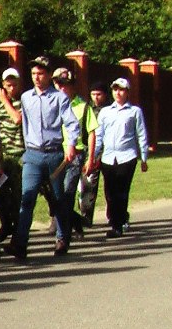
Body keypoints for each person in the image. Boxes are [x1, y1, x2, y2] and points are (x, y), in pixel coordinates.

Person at [8, 57, 81, 260]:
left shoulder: (60, 98)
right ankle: (20, 243)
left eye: (40, 73)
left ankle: (62, 238)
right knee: (27, 197)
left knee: (57, 199)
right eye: (33, 74)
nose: (36, 77)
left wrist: (71, 145)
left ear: (49, 75)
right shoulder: (26, 97)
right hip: (32, 154)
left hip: (54, 154)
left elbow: (72, 123)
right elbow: (23, 125)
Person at [94, 77, 148, 238]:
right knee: (110, 192)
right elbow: (99, 135)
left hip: (127, 156)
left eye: (121, 89)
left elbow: (141, 134)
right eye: (115, 89)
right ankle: (118, 217)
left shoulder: (134, 112)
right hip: (108, 157)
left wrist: (144, 157)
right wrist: (94, 155)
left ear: (127, 92)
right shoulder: (105, 112)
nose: (118, 93)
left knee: (122, 191)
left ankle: (117, 225)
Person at [54, 67, 98, 239]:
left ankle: (63, 230)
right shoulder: (52, 104)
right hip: (56, 153)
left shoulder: (82, 106)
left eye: (66, 85)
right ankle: (75, 221)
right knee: (54, 194)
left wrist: (91, 158)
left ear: (73, 86)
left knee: (67, 191)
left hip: (76, 155)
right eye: (59, 85)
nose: (62, 89)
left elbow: (92, 132)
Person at [0, 67, 25, 248]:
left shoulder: (24, 103)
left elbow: (17, 119)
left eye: (14, 85)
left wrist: (5, 101)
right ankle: (6, 223)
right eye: (8, 85)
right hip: (4, 158)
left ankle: (17, 236)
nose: (11, 88)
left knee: (19, 197)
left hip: (20, 155)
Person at [77, 84, 107, 227]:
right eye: (93, 94)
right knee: (85, 185)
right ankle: (85, 216)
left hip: (105, 153)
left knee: (107, 188)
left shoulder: (107, 111)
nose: (95, 97)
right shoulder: (86, 108)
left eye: (99, 94)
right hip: (88, 151)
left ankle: (115, 215)